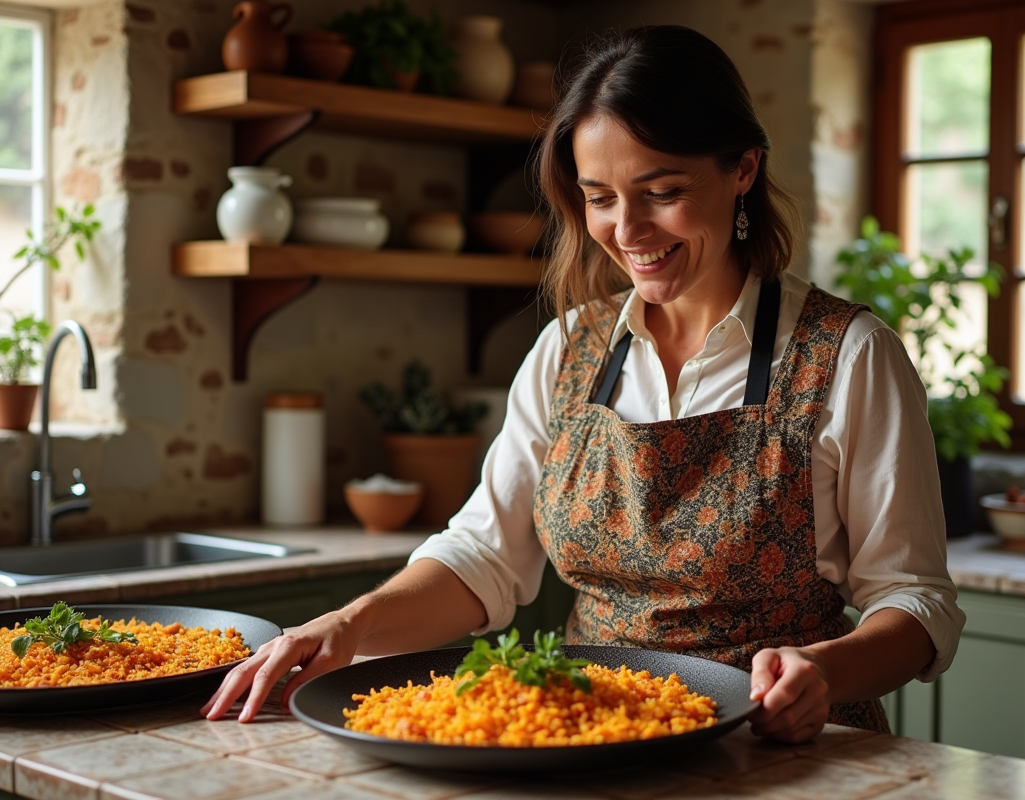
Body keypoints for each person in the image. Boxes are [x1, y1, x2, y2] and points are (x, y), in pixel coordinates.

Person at [203, 25, 965, 743]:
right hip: (597, 740)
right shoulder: (570, 347)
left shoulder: (849, 355)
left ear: (742, 169)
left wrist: (824, 671)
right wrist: (353, 623)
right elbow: (484, 557)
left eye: (661, 191)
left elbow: (916, 602)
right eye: (600, 198)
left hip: (784, 753)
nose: (626, 231)